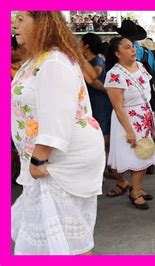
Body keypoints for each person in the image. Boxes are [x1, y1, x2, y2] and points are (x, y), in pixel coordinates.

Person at [11, 11, 105, 255]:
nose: (14, 24)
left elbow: (57, 115)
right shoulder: (40, 58)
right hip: (52, 160)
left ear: (41, 22)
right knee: (55, 238)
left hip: (58, 163)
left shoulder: (53, 60)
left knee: (68, 241)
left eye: (21, 19)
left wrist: (38, 158)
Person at [104, 37, 155, 210]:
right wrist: (129, 130)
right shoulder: (114, 74)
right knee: (136, 155)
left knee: (145, 153)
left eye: (133, 46)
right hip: (127, 118)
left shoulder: (141, 66)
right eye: (128, 48)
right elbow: (118, 106)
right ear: (117, 53)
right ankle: (135, 191)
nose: (133, 50)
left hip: (143, 115)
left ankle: (137, 188)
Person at [79, 33, 113, 177]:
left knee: (102, 138)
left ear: (86, 45)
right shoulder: (88, 60)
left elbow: (94, 76)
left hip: (100, 102)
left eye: (80, 42)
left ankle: (103, 169)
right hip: (92, 101)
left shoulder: (97, 60)